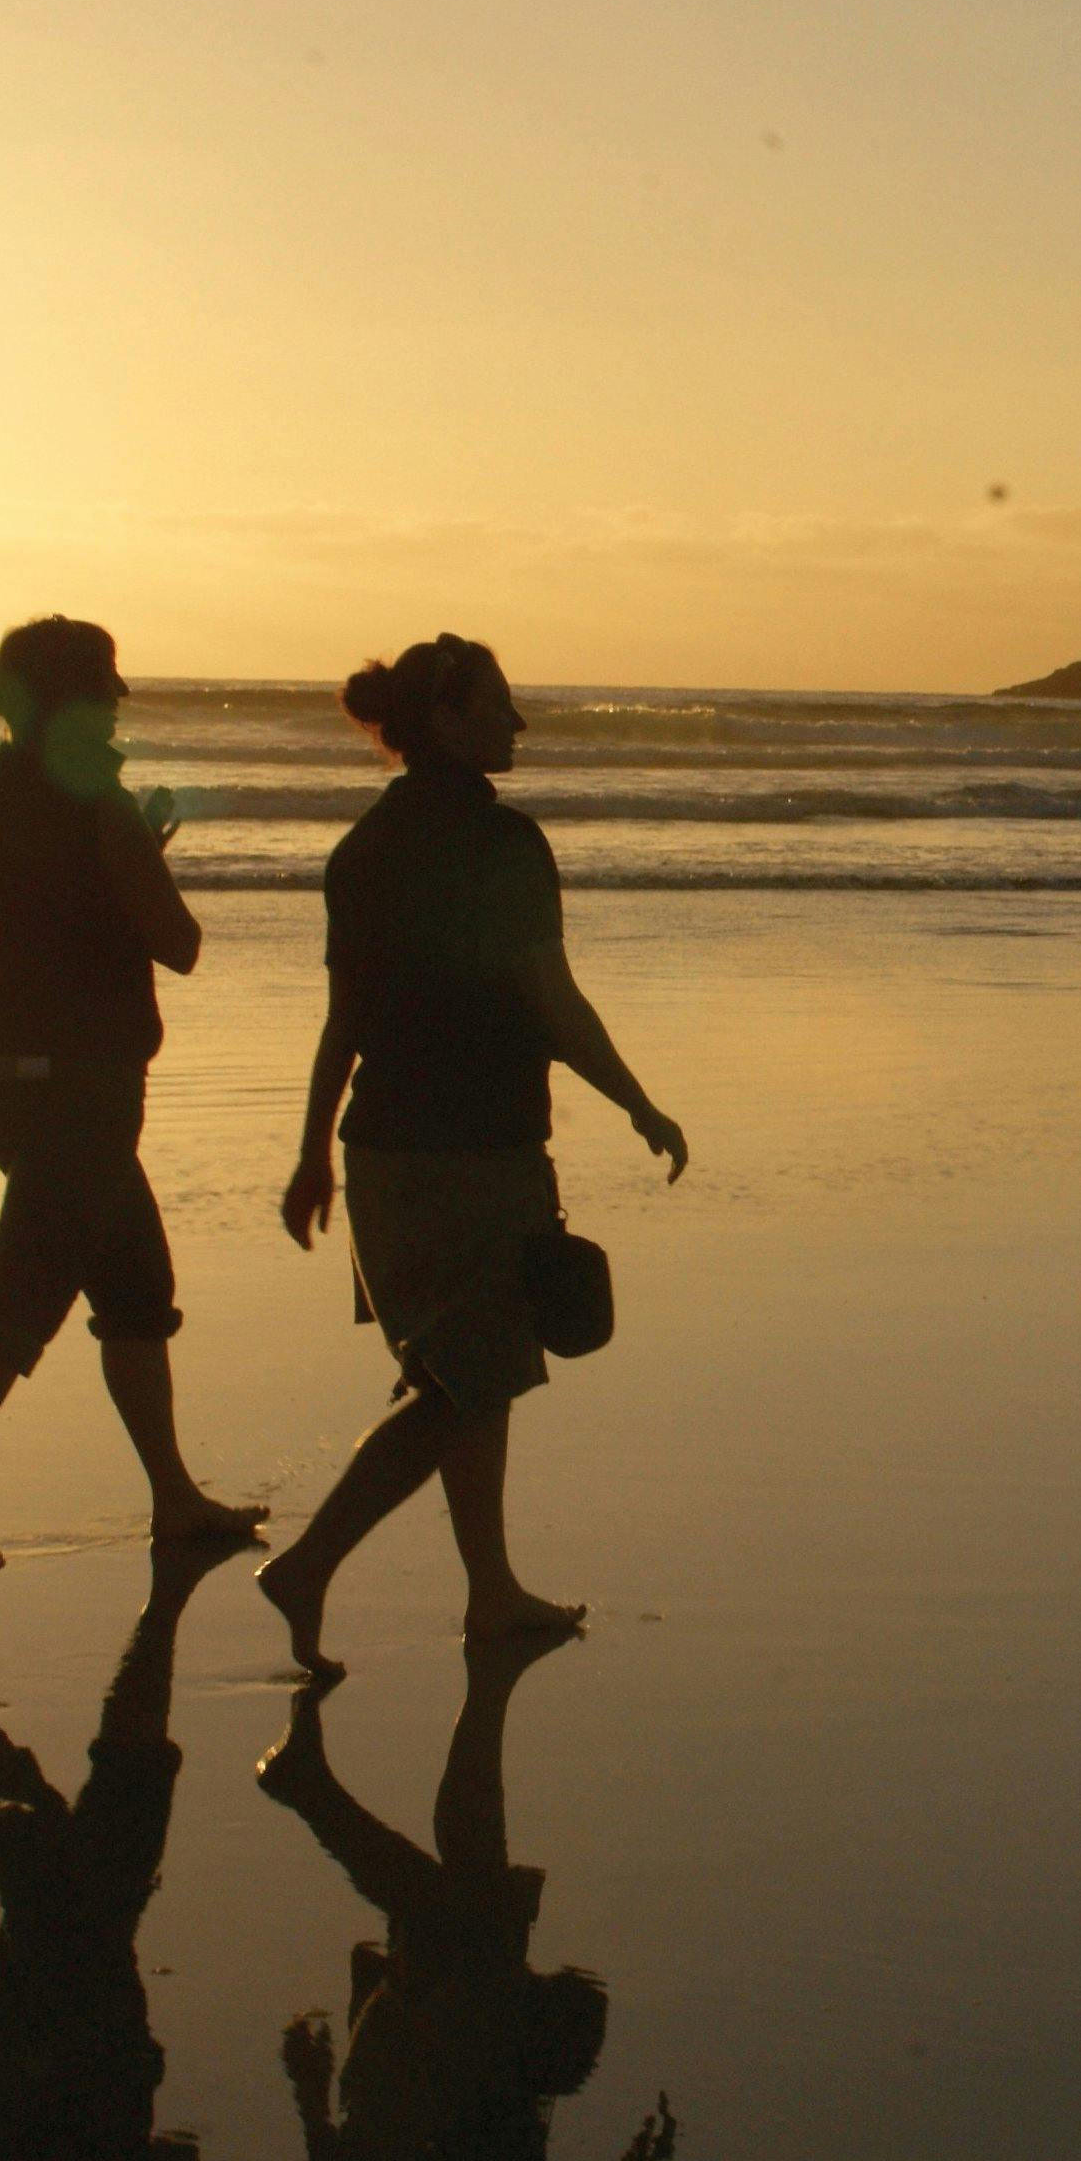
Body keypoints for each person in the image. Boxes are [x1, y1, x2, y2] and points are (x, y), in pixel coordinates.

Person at [258, 634, 686, 1675]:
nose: (518, 721)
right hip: (478, 1154)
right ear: (446, 720)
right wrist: (639, 1102)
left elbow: (344, 1021)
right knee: (465, 1385)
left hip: (383, 1158)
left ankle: (490, 1590)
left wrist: (312, 1155)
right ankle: (307, 1566)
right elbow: (552, 1001)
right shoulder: (504, 843)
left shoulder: (362, 849)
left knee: (466, 1374)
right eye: (498, 702)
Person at [0, 615, 267, 1575]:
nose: (119, 701)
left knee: (136, 1293)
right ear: (78, 700)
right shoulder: (101, 804)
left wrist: (109, 868)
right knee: (13, 1313)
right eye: (106, 685)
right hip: (79, 1090)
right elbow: (179, 943)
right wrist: (137, 854)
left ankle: (174, 1498)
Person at [257, 1635, 680, 2161]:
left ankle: (327, 1779)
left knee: (467, 1919)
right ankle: (483, 1693)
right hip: (433, 2055)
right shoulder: (506, 2134)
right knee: (476, 1904)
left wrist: (310, 2093)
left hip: (408, 2073)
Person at [0, 1547, 230, 2161]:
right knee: (82, 1882)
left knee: (85, 1887)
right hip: (55, 2080)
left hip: (83, 2075)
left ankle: (167, 1596)